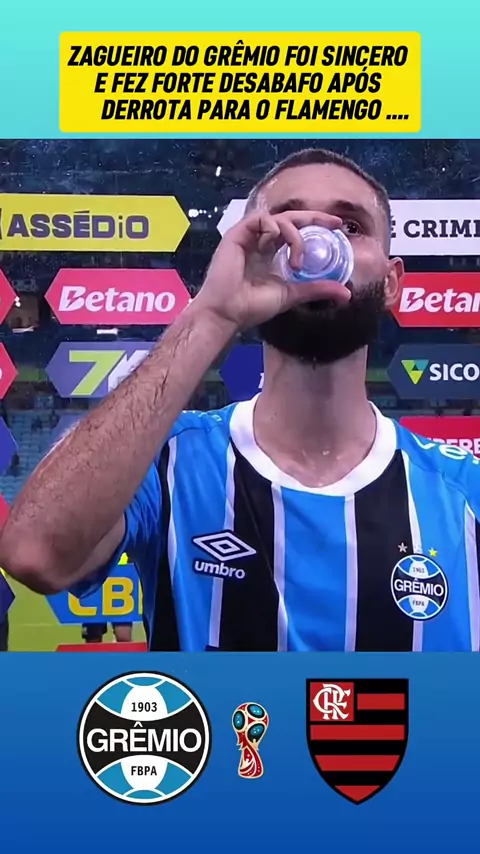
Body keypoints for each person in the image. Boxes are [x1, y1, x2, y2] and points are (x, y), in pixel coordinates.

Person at [1, 147, 479, 653]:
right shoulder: (168, 463)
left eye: (352, 227)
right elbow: (34, 553)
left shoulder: (464, 489)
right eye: (288, 226)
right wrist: (212, 315)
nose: (319, 243)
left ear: (391, 282)